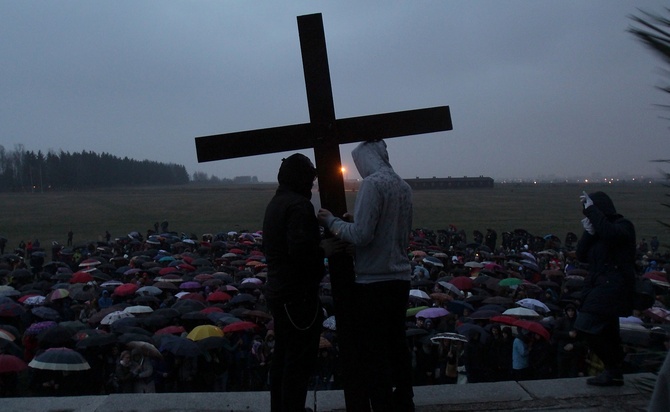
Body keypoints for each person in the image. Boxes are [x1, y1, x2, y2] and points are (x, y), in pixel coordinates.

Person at [318, 139, 415, 412]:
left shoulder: (373, 184)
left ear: (365, 159)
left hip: (373, 281)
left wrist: (332, 222)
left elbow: (361, 235)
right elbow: (388, 231)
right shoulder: (404, 187)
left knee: (374, 352)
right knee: (397, 345)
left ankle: (382, 404)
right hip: (400, 277)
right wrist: (356, 221)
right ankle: (405, 402)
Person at [262, 153, 328, 412]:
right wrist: (325, 250)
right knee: (298, 360)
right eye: (310, 179)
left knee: (283, 355)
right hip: (297, 295)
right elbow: (301, 253)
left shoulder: (276, 202)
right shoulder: (299, 206)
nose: (312, 185)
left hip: (280, 291)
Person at [574, 191, 636, 386]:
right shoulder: (599, 232)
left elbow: (611, 235)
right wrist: (589, 233)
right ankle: (614, 370)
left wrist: (592, 211)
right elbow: (581, 255)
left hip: (613, 286)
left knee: (585, 325)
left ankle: (613, 367)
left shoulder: (623, 226)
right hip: (598, 284)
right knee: (609, 332)